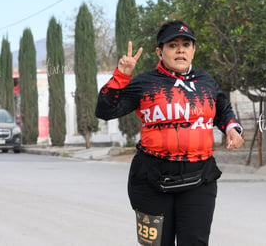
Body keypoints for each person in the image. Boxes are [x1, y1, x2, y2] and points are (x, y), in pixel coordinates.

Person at [95, 20, 244, 246]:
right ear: (160, 51)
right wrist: (121, 76)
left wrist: (232, 128)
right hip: (151, 181)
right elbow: (105, 110)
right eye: (173, 45)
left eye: (186, 44)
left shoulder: (206, 81)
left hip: (199, 179)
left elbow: (222, 108)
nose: (180, 50)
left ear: (193, 50)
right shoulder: (145, 83)